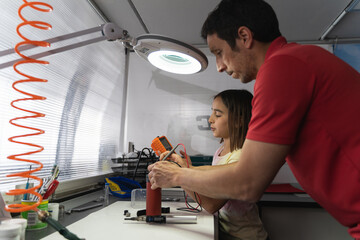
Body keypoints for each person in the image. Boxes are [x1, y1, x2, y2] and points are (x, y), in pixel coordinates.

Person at [148, 0, 360, 239]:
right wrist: (183, 169)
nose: (218, 66)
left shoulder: (282, 67)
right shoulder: (295, 60)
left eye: (219, 52)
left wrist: (176, 175)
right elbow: (240, 170)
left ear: (244, 36)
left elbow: (247, 182)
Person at [162, 89, 268, 240]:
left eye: (218, 115)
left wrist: (179, 175)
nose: (210, 119)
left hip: (243, 237)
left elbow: (211, 204)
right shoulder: (220, 151)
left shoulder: (239, 158)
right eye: (212, 113)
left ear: (239, 121)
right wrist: (186, 167)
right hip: (224, 230)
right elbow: (211, 184)